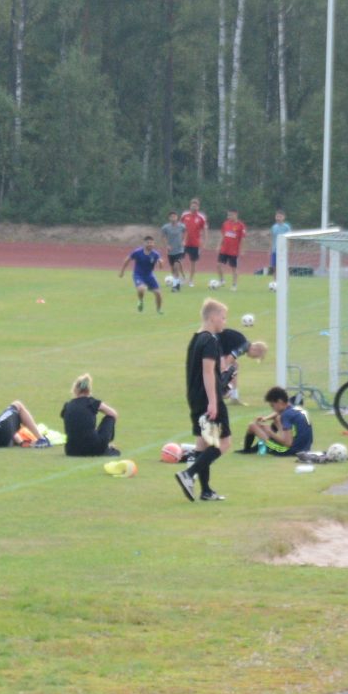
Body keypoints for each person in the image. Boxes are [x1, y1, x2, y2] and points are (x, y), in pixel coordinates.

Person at [180, 298, 232, 502]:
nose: (224, 321)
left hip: (194, 397)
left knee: (203, 444)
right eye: (223, 317)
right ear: (212, 317)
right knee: (224, 443)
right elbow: (208, 372)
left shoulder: (196, 339)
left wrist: (224, 380)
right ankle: (188, 474)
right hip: (208, 399)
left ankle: (206, 490)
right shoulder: (210, 340)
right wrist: (213, 401)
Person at [245, 386, 317, 457]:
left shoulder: (286, 415)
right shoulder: (295, 408)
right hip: (305, 448)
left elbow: (288, 443)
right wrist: (265, 418)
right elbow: (278, 413)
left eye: (272, 405)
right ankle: (258, 446)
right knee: (277, 418)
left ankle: (247, 450)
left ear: (279, 402)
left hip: (288, 451)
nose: (273, 409)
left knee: (252, 426)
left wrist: (270, 432)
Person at [60, 375, 119, 457]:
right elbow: (113, 414)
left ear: (75, 390)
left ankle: (100, 442)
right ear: (89, 390)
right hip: (93, 448)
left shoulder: (68, 405)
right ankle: (107, 445)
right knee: (110, 417)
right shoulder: (92, 402)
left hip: (71, 450)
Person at [118, 234, 168, 313]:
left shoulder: (155, 254)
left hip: (149, 275)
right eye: (148, 243)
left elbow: (161, 267)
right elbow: (127, 260)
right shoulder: (137, 252)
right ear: (144, 243)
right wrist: (122, 272)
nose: (150, 244)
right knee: (141, 289)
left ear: (153, 244)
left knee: (158, 293)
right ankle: (140, 301)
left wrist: (161, 263)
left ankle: (158, 310)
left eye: (151, 243)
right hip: (138, 275)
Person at [179, 198, 208, 288]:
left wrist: (205, 241)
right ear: (190, 205)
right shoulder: (184, 215)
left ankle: (191, 280)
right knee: (178, 261)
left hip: (195, 243)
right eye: (192, 204)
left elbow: (205, 229)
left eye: (196, 204)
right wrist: (179, 239)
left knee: (193, 262)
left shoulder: (201, 217)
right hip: (184, 243)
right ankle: (183, 277)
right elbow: (179, 228)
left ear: (198, 207)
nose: (194, 206)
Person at [216, 209, 248, 285]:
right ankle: (222, 280)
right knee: (218, 265)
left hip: (234, 251)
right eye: (228, 215)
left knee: (234, 268)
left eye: (230, 215)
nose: (228, 216)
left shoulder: (241, 225)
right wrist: (218, 245)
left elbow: (243, 238)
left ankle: (234, 284)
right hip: (224, 249)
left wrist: (242, 249)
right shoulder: (225, 224)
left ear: (235, 215)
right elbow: (222, 235)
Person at [266, 209, 291, 279]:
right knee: (274, 267)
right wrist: (270, 249)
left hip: (283, 250)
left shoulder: (287, 227)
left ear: (284, 217)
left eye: (280, 216)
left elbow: (288, 239)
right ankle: (275, 283)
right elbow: (272, 238)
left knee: (284, 267)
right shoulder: (274, 227)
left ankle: (286, 283)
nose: (278, 218)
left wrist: (287, 249)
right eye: (277, 216)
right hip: (275, 250)